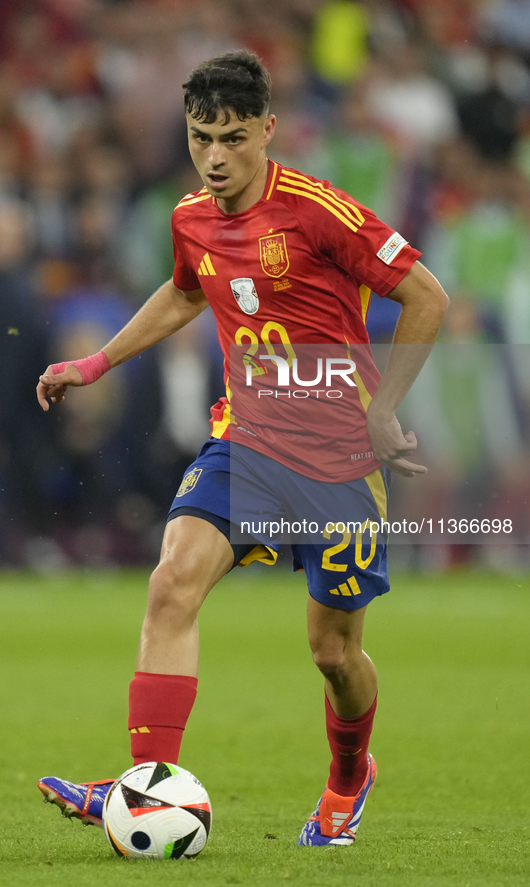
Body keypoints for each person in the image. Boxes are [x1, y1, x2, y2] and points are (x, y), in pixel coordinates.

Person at [35, 51, 449, 846]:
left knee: (332, 651)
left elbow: (424, 295)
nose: (215, 157)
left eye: (231, 138)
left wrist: (383, 408)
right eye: (199, 139)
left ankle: (348, 774)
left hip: (336, 457)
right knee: (171, 582)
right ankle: (139, 784)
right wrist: (97, 361)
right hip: (247, 437)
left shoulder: (321, 210)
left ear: (266, 129)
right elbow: (186, 288)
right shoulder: (191, 216)